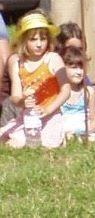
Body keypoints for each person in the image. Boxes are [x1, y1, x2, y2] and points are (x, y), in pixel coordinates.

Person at [0, 11, 67, 148]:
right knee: (13, 142)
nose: (39, 44)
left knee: (47, 144)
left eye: (43, 39)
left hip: (51, 115)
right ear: (24, 41)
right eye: (33, 39)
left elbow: (66, 90)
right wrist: (22, 101)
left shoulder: (53, 59)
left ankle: (60, 137)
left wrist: (49, 108)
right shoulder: (17, 63)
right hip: (28, 116)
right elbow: (15, 96)